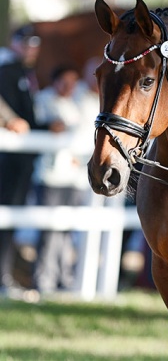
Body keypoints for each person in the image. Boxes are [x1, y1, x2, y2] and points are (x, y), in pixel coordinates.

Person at [32, 64, 90, 294]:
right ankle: (43, 279)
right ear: (55, 81)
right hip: (49, 175)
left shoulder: (75, 103)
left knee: (66, 232)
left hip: (71, 176)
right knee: (48, 232)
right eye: (65, 82)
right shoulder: (44, 100)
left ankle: (63, 279)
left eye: (72, 82)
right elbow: (43, 127)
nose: (69, 87)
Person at [0, 24, 42, 292]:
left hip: (21, 160)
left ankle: (4, 275)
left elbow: (29, 117)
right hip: (8, 160)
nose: (29, 49)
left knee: (11, 220)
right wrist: (9, 119)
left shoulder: (26, 73)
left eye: (33, 44)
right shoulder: (7, 69)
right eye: (24, 43)